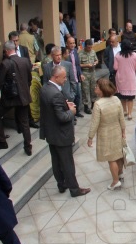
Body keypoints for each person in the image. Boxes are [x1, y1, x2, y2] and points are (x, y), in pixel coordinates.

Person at [39, 65, 91, 198]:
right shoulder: (56, 93)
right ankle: (74, 189)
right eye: (63, 78)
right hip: (61, 135)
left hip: (50, 133)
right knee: (67, 163)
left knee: (55, 161)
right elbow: (62, 117)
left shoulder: (45, 88)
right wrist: (71, 111)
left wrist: (64, 106)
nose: (66, 80)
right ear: (55, 77)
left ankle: (61, 184)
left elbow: (51, 109)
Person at [0, 40, 33, 155]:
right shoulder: (25, 61)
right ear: (15, 49)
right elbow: (29, 79)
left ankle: (2, 141)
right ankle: (28, 146)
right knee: (25, 122)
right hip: (23, 97)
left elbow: (0, 82)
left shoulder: (5, 63)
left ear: (6, 51)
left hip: (10, 98)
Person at [87, 78, 127, 190]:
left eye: (97, 87)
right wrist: (123, 131)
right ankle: (120, 174)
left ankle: (115, 181)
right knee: (118, 154)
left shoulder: (98, 104)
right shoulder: (116, 99)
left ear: (102, 90)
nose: (95, 88)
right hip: (117, 130)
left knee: (111, 158)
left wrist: (90, 137)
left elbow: (95, 123)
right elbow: (121, 118)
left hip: (106, 134)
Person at [114, 41, 136, 120]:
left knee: (122, 96)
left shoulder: (117, 55)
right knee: (130, 98)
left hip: (120, 77)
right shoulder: (134, 55)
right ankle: (130, 114)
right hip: (131, 78)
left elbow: (115, 67)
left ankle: (124, 111)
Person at [78, 39, 98, 114]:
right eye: (88, 47)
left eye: (91, 47)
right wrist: (86, 65)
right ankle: (86, 106)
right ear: (85, 46)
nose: (90, 49)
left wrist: (95, 63)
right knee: (85, 90)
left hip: (93, 72)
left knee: (93, 88)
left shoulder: (93, 52)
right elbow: (78, 65)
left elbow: (96, 60)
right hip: (85, 73)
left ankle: (93, 103)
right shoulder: (80, 53)